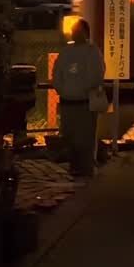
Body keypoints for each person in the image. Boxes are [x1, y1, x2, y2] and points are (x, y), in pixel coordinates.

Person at [52, 18, 105, 180]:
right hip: (68, 101)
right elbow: (57, 73)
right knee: (70, 136)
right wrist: (62, 89)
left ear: (86, 33)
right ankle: (75, 168)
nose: (75, 33)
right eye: (74, 30)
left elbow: (96, 75)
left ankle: (85, 169)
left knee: (84, 138)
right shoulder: (66, 51)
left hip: (84, 102)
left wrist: (82, 89)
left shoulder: (92, 51)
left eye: (78, 30)